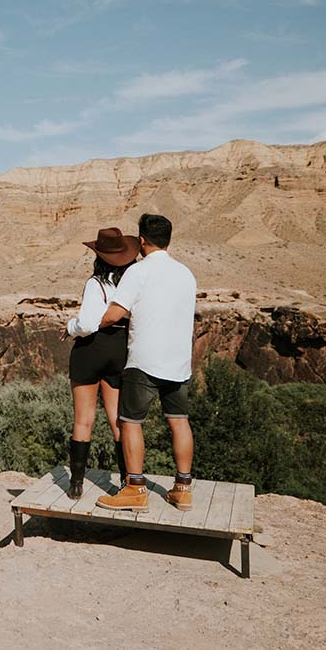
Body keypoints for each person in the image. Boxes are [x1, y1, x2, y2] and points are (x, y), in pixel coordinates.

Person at [94, 213, 197, 513]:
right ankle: (183, 489)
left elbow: (115, 313)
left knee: (130, 423)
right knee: (179, 421)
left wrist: (88, 323)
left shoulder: (138, 273)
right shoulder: (186, 274)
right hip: (178, 362)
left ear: (141, 240)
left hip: (145, 361)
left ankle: (135, 489)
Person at [61, 227, 139, 499]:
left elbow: (88, 324)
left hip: (89, 352)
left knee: (83, 420)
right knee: (118, 421)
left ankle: (76, 484)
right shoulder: (132, 285)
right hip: (119, 352)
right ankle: (127, 482)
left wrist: (70, 327)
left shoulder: (96, 283)